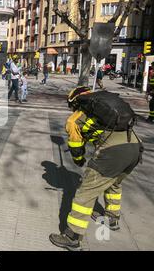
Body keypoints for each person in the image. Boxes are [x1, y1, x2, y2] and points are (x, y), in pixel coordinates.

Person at [49, 86, 142, 251]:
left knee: (85, 193)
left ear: (74, 102)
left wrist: (78, 160)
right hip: (134, 148)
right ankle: (112, 219)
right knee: (114, 183)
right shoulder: (108, 109)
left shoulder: (75, 118)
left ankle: (73, 237)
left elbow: (76, 145)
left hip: (112, 154)